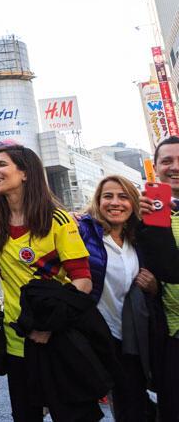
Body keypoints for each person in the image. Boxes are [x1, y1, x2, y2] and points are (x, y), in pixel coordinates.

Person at [0, 145, 99, 422]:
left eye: (2, 165)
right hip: (16, 337)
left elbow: (83, 281)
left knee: (72, 413)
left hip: (58, 338)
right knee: (25, 414)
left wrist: (48, 325)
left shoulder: (58, 220)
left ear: (26, 173)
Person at [77, 176, 158, 422]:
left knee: (132, 403)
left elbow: (159, 277)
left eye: (123, 197)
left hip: (131, 337)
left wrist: (153, 287)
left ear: (133, 203)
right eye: (108, 196)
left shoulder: (139, 239)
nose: (115, 203)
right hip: (95, 336)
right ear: (98, 201)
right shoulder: (85, 233)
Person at [139, 136, 179, 422]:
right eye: (167, 161)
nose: (174, 167)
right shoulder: (149, 215)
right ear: (156, 167)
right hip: (169, 336)